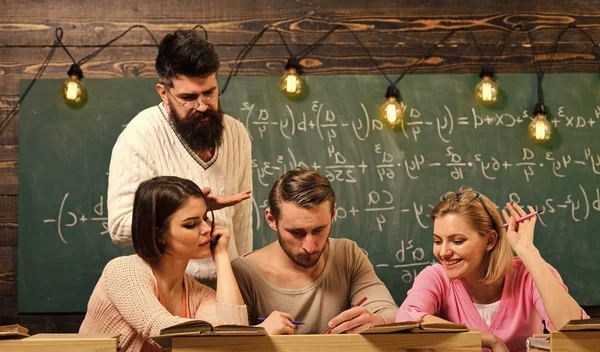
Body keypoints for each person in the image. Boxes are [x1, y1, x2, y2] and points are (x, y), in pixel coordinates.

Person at [107, 29, 252, 282]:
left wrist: (246, 285)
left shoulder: (236, 133)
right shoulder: (139, 135)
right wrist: (187, 209)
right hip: (166, 288)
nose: (203, 105)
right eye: (188, 97)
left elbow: (241, 225)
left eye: (210, 92)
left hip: (228, 285)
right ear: (163, 93)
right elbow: (119, 228)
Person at [395, 189, 589, 352]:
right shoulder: (436, 277)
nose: (443, 252)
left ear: (490, 240)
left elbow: (572, 329)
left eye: (458, 240)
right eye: (438, 241)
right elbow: (406, 318)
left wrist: (528, 252)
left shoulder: (530, 273)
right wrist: (487, 339)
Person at [80, 176, 248, 352]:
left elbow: (233, 337)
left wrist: (221, 255)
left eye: (205, 218)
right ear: (158, 233)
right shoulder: (123, 271)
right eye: (191, 224)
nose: (207, 228)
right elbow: (163, 329)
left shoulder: (199, 294)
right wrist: (260, 330)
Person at [232, 167, 398, 335]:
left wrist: (377, 321)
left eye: (319, 230)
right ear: (271, 220)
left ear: (333, 214)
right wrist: (260, 333)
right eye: (297, 233)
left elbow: (392, 313)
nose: (310, 247)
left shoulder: (347, 254)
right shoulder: (243, 272)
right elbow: (228, 342)